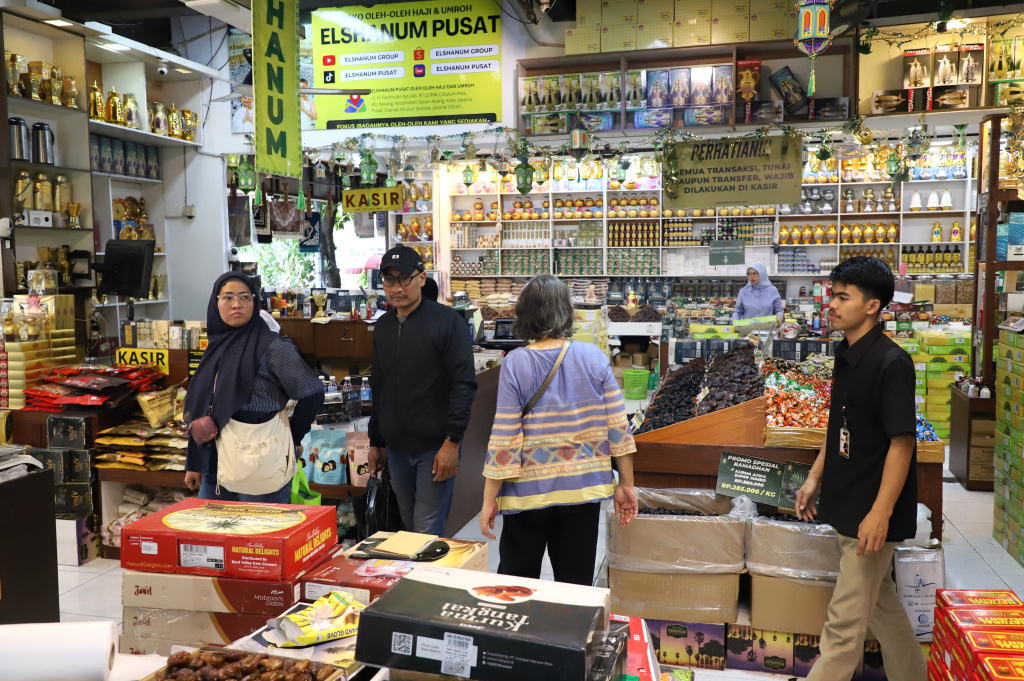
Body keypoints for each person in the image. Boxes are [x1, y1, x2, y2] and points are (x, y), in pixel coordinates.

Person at [795, 256, 925, 681]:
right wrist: (815, 475)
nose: (830, 304)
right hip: (849, 500)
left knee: (844, 625)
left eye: (841, 296)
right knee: (883, 605)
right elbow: (840, 426)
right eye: (832, 294)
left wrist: (881, 513)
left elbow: (903, 444)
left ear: (872, 306)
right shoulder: (847, 354)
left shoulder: (892, 363)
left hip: (871, 510)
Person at [480, 275, 639, 586]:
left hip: (527, 494)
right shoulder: (594, 356)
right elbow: (619, 428)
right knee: (575, 583)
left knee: (517, 584)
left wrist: (489, 499)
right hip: (583, 490)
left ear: (523, 312)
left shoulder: (515, 363)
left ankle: (520, 634)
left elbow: (505, 438)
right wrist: (627, 484)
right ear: (567, 311)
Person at [184, 273, 325, 502]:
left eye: (244, 297)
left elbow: (313, 392)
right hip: (215, 467)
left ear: (254, 302)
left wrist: (294, 436)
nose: (236, 304)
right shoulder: (215, 345)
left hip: (260, 463)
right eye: (227, 298)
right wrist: (195, 463)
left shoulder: (271, 346)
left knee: (258, 535)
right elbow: (203, 407)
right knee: (213, 535)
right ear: (216, 302)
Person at [368, 246, 478, 535]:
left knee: (426, 530)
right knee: (408, 525)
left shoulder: (447, 322)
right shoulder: (383, 327)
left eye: (405, 278)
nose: (396, 287)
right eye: (389, 279)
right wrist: (376, 441)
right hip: (395, 449)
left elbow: (463, 385)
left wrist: (452, 442)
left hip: (435, 447)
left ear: (421, 278)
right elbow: (379, 386)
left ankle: (426, 581)